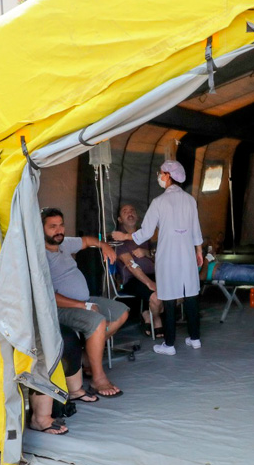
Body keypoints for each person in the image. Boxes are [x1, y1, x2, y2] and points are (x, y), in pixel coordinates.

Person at [112, 160, 203, 355]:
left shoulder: (159, 202)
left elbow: (145, 233)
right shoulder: (190, 200)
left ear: (168, 175)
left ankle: (169, 345)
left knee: (169, 297)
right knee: (190, 294)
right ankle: (195, 339)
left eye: (161, 173)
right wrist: (199, 251)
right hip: (187, 253)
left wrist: (125, 236)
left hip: (168, 255)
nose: (159, 176)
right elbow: (196, 229)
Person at [41, 207, 128, 397]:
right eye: (52, 227)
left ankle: (86, 357)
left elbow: (88, 241)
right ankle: (98, 379)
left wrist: (102, 245)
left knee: (121, 312)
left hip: (84, 300)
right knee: (97, 322)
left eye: (61, 225)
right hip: (60, 308)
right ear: (41, 229)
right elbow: (47, 296)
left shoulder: (64, 244)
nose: (59, 230)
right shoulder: (40, 256)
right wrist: (84, 306)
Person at [114, 203, 163, 337]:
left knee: (178, 292)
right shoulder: (118, 238)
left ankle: (148, 314)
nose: (130, 213)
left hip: (154, 274)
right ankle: (157, 319)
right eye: (125, 211)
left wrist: (146, 252)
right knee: (157, 297)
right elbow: (130, 264)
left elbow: (157, 255)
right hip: (133, 279)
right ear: (119, 219)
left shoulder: (145, 234)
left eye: (132, 210)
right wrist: (148, 283)